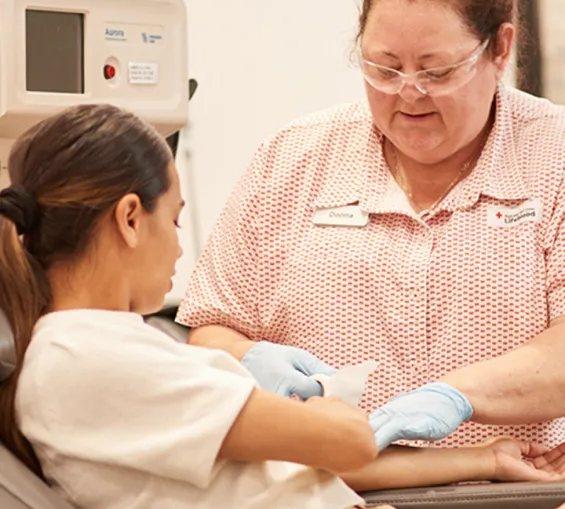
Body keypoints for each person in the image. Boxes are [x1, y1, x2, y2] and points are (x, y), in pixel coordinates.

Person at [0, 105, 563, 509]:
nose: (178, 244)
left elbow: (309, 463)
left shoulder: (113, 347)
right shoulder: (85, 357)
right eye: (173, 220)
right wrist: (325, 404)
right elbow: (344, 443)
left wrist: (486, 459)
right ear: (128, 218)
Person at [176, 0, 565, 452]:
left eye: (437, 71)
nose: (408, 93)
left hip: (518, 491)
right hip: (329, 491)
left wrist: (458, 395)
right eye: (384, 68)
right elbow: (212, 329)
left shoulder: (551, 157)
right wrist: (247, 359)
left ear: (499, 50)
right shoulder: (291, 161)